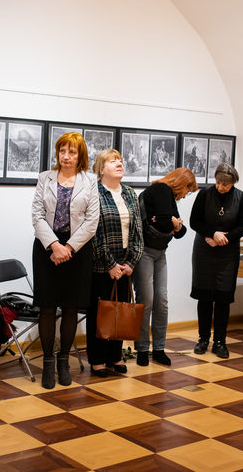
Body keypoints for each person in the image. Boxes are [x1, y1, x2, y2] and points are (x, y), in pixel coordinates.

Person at [31, 132, 100, 389]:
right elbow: (37, 215)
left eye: (71, 151)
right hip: (47, 248)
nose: (66, 156)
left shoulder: (90, 181)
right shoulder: (44, 178)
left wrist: (68, 247)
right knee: (47, 307)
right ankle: (48, 361)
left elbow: (92, 220)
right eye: (62, 151)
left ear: (80, 155)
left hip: (77, 250)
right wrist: (54, 246)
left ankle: (63, 360)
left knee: (71, 307)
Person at [133, 168, 198, 366]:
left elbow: (180, 231)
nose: (186, 195)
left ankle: (159, 348)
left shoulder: (168, 196)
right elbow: (163, 224)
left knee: (161, 300)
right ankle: (142, 349)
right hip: (144, 251)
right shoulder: (161, 190)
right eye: (188, 190)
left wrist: (173, 223)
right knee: (147, 301)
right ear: (182, 183)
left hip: (159, 252)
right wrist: (171, 222)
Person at [88, 150, 144, 377]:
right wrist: (110, 264)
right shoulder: (94, 193)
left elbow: (138, 232)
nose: (119, 163)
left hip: (125, 265)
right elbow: (93, 232)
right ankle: (98, 358)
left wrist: (131, 262)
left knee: (120, 310)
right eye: (113, 161)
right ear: (101, 169)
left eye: (120, 160)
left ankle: (115, 355)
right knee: (100, 311)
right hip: (101, 264)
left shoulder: (130, 193)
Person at [189, 163, 243, 358]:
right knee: (205, 297)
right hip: (204, 250)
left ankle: (220, 342)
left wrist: (225, 238)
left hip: (227, 252)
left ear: (233, 183)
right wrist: (213, 234)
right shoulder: (204, 194)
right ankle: (203, 339)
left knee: (223, 298)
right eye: (218, 183)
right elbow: (194, 222)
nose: (221, 187)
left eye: (226, 185)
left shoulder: (242, 198)